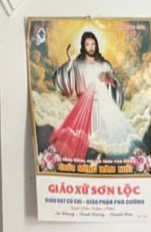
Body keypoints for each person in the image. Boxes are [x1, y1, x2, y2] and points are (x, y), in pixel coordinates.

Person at [48, 31, 139, 161]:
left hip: (103, 108)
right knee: (84, 143)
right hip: (83, 108)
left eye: (93, 44)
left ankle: (102, 161)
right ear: (83, 46)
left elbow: (114, 85)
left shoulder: (104, 65)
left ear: (96, 45)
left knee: (103, 142)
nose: (91, 47)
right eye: (87, 44)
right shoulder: (77, 64)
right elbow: (63, 80)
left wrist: (109, 80)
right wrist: (70, 61)